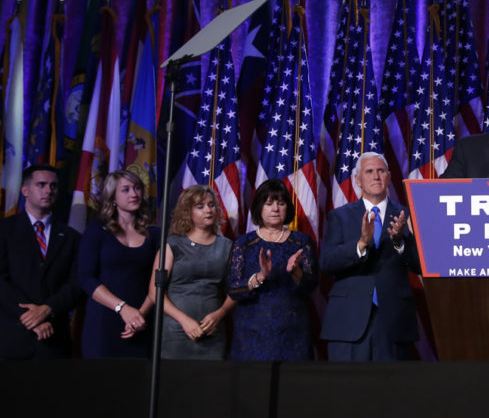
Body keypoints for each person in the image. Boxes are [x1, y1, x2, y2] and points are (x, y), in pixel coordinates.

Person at [321, 152, 420, 361]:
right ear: (357, 180)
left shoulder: (408, 215)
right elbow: (327, 262)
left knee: (392, 391)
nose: (376, 176)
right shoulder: (340, 216)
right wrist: (361, 244)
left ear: (389, 176)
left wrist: (399, 242)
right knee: (347, 391)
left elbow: (421, 264)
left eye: (381, 171)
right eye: (369, 171)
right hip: (348, 323)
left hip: (394, 323)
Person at [228, 179, 318, 361]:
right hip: (251, 332)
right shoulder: (244, 244)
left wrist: (295, 272)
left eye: (281, 203)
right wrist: (260, 276)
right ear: (259, 208)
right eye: (269, 204)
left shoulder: (302, 242)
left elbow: (311, 287)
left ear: (287, 208)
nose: (275, 209)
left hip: (293, 331)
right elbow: (233, 289)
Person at [0, 165, 82, 359]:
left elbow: (76, 283)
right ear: (25, 190)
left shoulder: (72, 237)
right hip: (12, 337)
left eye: (53, 186)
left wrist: (47, 309)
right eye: (42, 185)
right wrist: (33, 319)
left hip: (54, 339)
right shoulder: (4, 230)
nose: (48, 190)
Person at [79, 169, 159, 358]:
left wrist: (138, 315)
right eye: (126, 189)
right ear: (113, 197)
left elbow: (157, 281)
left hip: (141, 322)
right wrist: (122, 309)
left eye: (137, 188)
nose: (134, 194)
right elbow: (85, 278)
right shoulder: (97, 230)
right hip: (103, 323)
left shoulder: (155, 233)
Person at [149, 185, 235, 360]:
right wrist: (184, 320)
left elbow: (236, 289)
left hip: (213, 332)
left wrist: (220, 313)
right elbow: (154, 292)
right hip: (176, 333)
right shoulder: (172, 244)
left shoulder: (226, 246)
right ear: (187, 212)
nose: (208, 210)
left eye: (211, 205)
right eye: (200, 206)